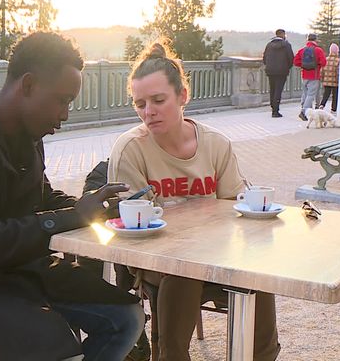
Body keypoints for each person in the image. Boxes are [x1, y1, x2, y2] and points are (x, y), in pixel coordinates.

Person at [0, 32, 145, 361]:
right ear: (29, 85)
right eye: (62, 100)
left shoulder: (27, 135)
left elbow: (42, 196)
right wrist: (72, 217)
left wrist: (96, 208)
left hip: (19, 271)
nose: (65, 115)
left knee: (127, 316)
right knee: (54, 343)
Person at [108, 41, 281, 361]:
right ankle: (171, 356)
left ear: (183, 96)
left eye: (158, 100)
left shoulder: (216, 144)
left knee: (258, 270)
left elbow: (235, 208)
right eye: (140, 103)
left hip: (214, 250)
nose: (149, 112)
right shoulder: (131, 148)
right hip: (158, 259)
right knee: (183, 269)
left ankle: (263, 355)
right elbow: (129, 226)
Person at [293, 33, 327, 121]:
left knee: (305, 93)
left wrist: (304, 65)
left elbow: (295, 62)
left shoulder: (302, 50)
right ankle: (303, 112)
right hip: (314, 75)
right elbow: (323, 62)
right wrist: (317, 65)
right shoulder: (318, 50)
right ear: (316, 40)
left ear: (307, 40)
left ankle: (305, 109)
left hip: (304, 75)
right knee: (311, 95)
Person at [262, 28, 294, 118]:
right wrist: (287, 67)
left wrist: (268, 65)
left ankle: (273, 107)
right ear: (283, 35)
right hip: (282, 71)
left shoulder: (269, 45)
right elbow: (291, 58)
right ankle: (276, 110)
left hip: (270, 70)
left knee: (272, 89)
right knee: (278, 90)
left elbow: (264, 58)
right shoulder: (286, 45)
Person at [319, 43, 340, 113]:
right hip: (335, 81)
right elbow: (338, 72)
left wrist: (322, 78)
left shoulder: (326, 59)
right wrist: (338, 81)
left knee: (326, 94)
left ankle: (322, 105)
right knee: (335, 95)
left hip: (326, 80)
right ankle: (333, 109)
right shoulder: (338, 60)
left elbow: (322, 70)